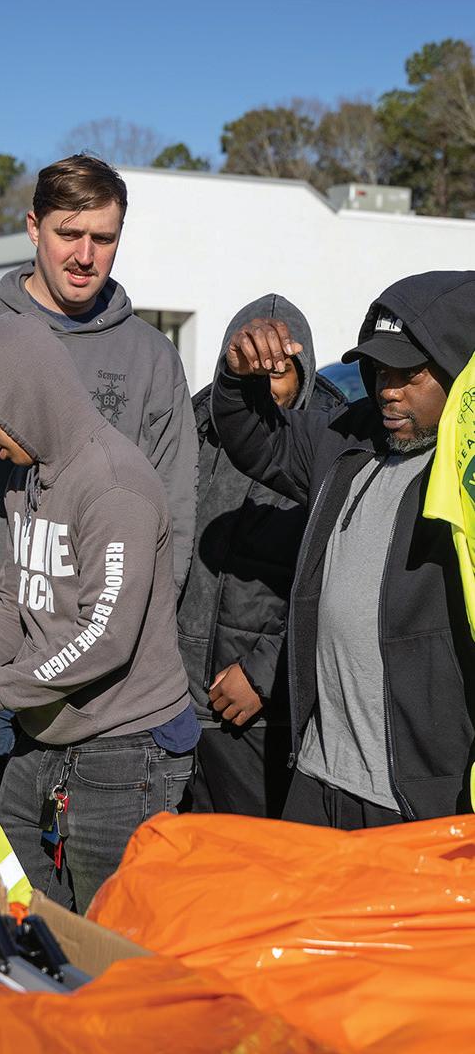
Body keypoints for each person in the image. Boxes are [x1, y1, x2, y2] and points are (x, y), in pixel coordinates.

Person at [0, 154, 197, 792]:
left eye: (103, 238)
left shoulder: (150, 357)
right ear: (33, 227)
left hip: (92, 677)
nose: (85, 256)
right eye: (68, 233)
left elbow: (173, 508)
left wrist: (123, 634)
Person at [0, 314, 196, 913]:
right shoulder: (28, 478)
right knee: (27, 910)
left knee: (112, 934)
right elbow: (15, 604)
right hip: (45, 736)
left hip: (125, 753)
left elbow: (105, 637)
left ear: (27, 399)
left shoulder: (114, 487)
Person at [213, 272, 475, 828]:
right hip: (317, 779)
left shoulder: (466, 480)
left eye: (409, 373)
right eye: (380, 370)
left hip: (416, 803)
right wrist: (237, 377)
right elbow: (256, 438)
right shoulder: (348, 436)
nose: (387, 389)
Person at [178, 295, 344, 818]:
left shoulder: (330, 448)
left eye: (277, 373)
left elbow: (336, 585)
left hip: (257, 716)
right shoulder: (192, 427)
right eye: (252, 370)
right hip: (174, 706)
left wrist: (264, 675)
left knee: (255, 857)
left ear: (303, 373)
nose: (264, 385)